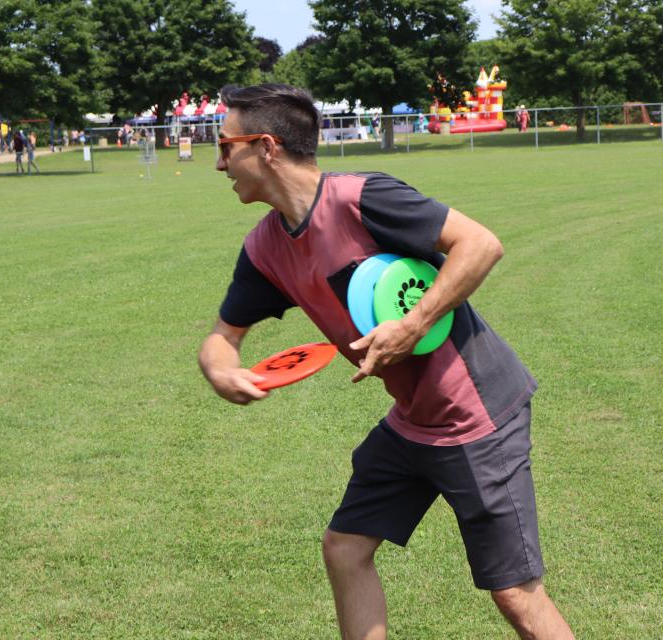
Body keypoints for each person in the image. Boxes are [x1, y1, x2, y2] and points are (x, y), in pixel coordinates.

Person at [197, 84, 574, 639]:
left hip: (477, 416)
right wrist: (221, 368)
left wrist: (414, 323)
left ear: (267, 147)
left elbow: (480, 244)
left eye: (226, 146)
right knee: (345, 548)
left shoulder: (362, 198)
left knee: (515, 593)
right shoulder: (264, 248)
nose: (218, 162)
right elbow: (222, 337)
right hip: (414, 422)